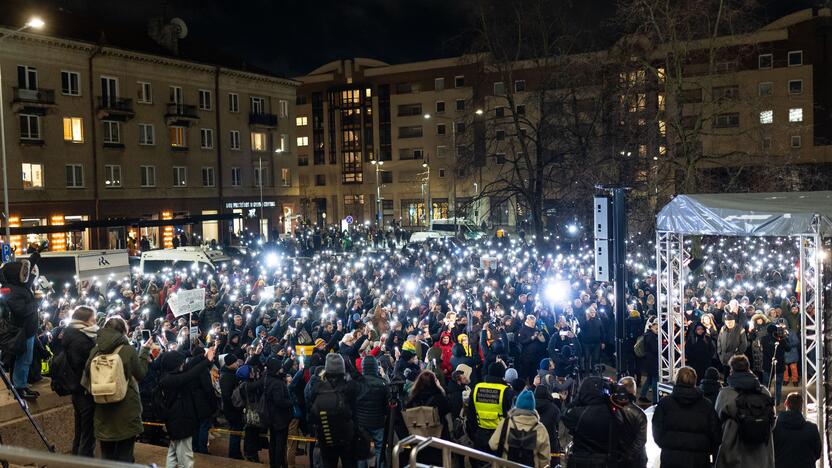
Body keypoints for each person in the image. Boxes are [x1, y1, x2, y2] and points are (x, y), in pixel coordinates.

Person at [83, 316, 152, 463]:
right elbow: (140, 373)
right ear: (123, 331)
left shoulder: (95, 350)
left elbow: (86, 378)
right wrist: (145, 351)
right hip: (126, 408)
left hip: (102, 409)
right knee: (125, 455)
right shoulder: (128, 350)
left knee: (107, 457)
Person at [652, 366, 721, 468]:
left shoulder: (665, 404)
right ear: (694, 380)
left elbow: (656, 430)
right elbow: (716, 433)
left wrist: (666, 445)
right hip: (699, 460)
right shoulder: (706, 405)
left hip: (671, 459)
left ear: (677, 379)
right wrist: (707, 449)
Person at [157, 347, 215, 468]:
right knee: (186, 458)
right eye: (181, 362)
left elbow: (189, 366)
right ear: (175, 365)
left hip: (175, 421)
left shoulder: (167, 375)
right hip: (180, 422)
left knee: (173, 453)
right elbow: (190, 374)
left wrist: (203, 356)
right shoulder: (171, 379)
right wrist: (207, 361)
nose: (183, 363)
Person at [715, 355, 775, 468]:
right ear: (749, 368)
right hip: (762, 455)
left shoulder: (726, 394)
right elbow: (772, 421)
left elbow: (717, 421)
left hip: (734, 454)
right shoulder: (764, 392)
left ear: (731, 370)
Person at [0, 250, 41, 398]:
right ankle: (19, 387)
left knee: (24, 359)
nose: (26, 274)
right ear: (14, 275)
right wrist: (36, 303)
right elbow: (21, 310)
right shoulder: (10, 291)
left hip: (27, 330)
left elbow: (27, 273)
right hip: (22, 331)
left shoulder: (17, 286)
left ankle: (20, 384)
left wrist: (35, 255)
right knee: (23, 359)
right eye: (21, 271)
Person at [308, 353, 359, 468]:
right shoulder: (349, 386)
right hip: (346, 436)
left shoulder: (318, 386)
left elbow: (310, 406)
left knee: (328, 463)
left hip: (326, 435)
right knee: (349, 463)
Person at [60, 306, 98, 457]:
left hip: (75, 388)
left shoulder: (69, 333)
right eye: (93, 320)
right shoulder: (81, 339)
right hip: (83, 387)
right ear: (85, 321)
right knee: (87, 433)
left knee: (80, 429)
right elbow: (84, 362)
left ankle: (76, 459)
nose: (95, 323)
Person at [563, 377, 620, 468]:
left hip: (580, 462)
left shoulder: (577, 414)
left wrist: (577, 399)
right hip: (605, 461)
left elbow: (565, 415)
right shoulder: (613, 413)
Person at [489, 389, 550, 468]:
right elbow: (545, 458)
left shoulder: (506, 423)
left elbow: (493, 445)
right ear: (533, 408)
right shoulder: (540, 428)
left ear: (517, 405)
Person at [466, 361, 515, 457]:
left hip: (480, 434)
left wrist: (475, 433)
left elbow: (470, 414)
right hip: (500, 436)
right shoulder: (506, 391)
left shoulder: (476, 388)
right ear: (502, 374)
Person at [405, 370, 452, 466]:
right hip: (438, 439)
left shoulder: (412, 399)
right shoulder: (439, 398)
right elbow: (448, 408)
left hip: (419, 440)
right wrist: (441, 389)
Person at [259, 356, 294, 468]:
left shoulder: (267, 377)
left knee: (273, 441)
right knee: (280, 444)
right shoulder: (277, 383)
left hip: (271, 415)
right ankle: (279, 464)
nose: (281, 369)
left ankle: (273, 463)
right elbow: (280, 401)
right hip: (279, 417)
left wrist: (290, 360)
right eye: (280, 367)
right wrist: (291, 402)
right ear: (276, 369)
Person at [355, 355, 388, 468]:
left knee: (361, 449)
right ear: (375, 367)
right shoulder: (383, 383)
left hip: (361, 422)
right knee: (380, 448)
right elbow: (387, 405)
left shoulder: (357, 383)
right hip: (378, 422)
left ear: (363, 367)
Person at [772, 392, 821, 468]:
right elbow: (817, 453)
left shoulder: (775, 428)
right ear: (801, 407)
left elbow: (770, 452)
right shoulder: (812, 428)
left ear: (786, 404)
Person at [615, 377, 647, 468]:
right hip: (635, 461)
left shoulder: (610, 409)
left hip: (616, 457)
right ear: (634, 391)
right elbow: (641, 440)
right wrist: (628, 457)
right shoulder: (639, 413)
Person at [219, 354, 244, 459]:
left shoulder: (230, 373)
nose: (237, 363)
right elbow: (226, 396)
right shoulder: (227, 377)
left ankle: (236, 453)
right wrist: (235, 407)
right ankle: (234, 455)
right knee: (235, 432)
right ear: (230, 364)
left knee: (236, 432)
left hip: (233, 409)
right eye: (235, 362)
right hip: (232, 410)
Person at [760, 323, 790, 406]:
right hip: (779, 365)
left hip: (767, 365)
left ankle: (766, 402)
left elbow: (761, 349)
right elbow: (788, 349)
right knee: (778, 385)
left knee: (766, 385)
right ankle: (777, 402)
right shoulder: (781, 339)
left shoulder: (763, 339)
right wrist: (784, 338)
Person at [533, 383, 561, 467]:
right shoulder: (554, 408)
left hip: (531, 440)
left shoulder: (531, 406)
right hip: (550, 443)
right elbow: (558, 424)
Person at [638, 320, 659, 404]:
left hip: (648, 360)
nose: (658, 330)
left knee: (649, 379)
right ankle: (655, 400)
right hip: (652, 361)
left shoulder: (647, 334)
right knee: (654, 379)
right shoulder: (651, 336)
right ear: (652, 326)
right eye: (656, 328)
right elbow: (655, 349)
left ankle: (642, 396)